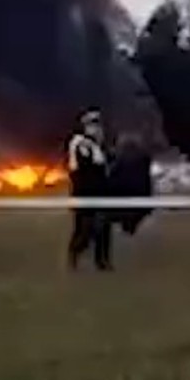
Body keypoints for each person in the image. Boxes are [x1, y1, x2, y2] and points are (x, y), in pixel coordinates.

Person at [66, 108, 113, 271]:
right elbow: (87, 167)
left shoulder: (99, 144)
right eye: (93, 125)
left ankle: (102, 261)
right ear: (85, 126)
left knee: (103, 227)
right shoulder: (80, 144)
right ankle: (74, 255)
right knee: (84, 229)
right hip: (84, 193)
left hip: (100, 193)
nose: (97, 128)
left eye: (98, 125)